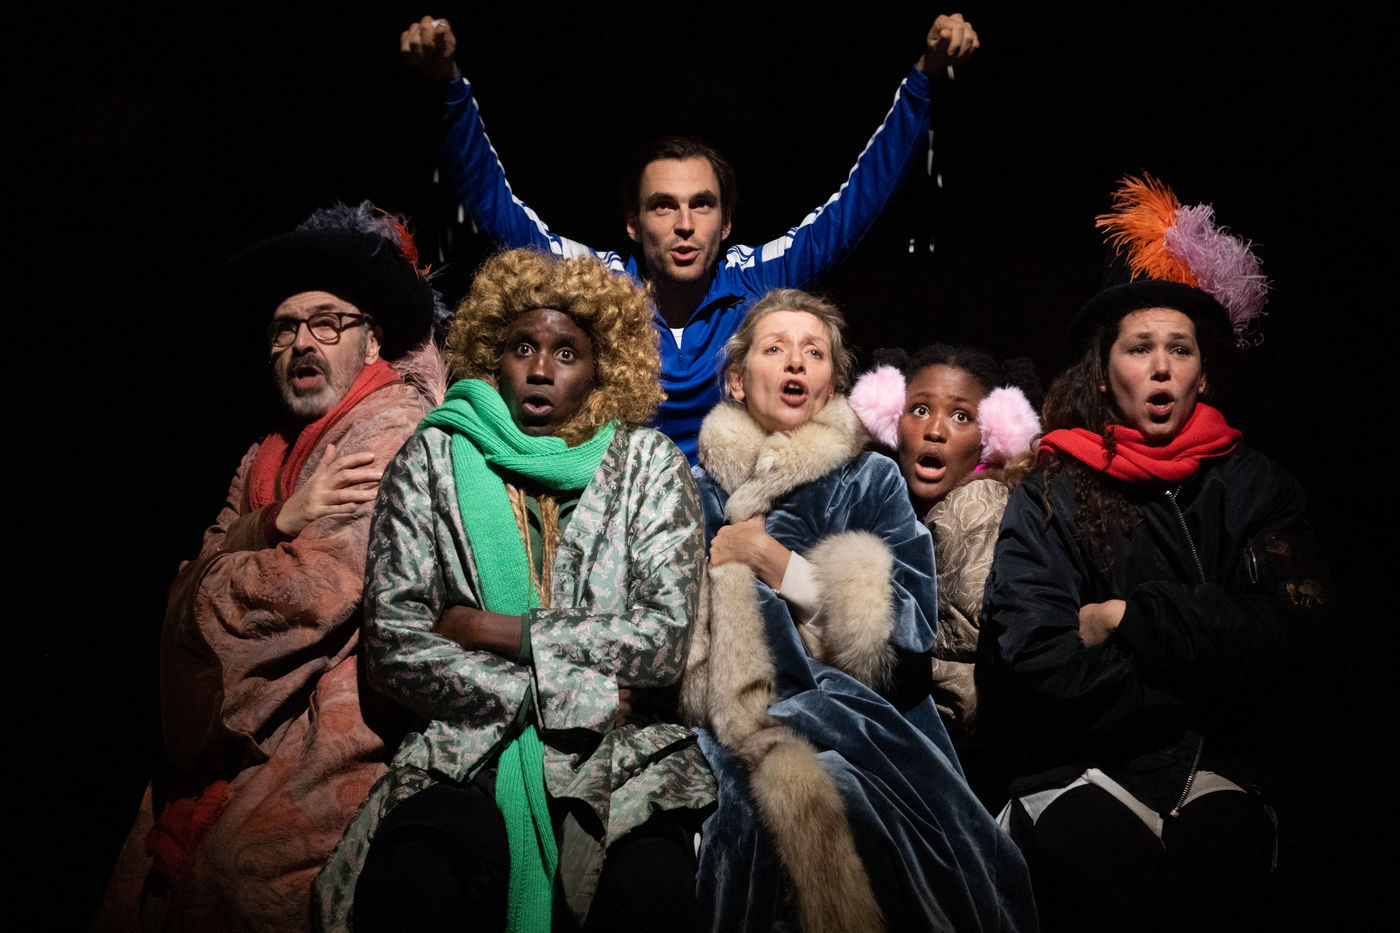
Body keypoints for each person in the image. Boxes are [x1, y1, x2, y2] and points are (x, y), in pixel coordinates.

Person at [312, 248, 715, 933]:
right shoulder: (435, 457)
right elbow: (394, 646)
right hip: (468, 746)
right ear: (493, 356)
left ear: (602, 368)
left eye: (567, 352)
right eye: (522, 346)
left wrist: (495, 629)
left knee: (649, 892)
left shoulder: (648, 464)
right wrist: (575, 693)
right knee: (415, 884)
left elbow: (662, 641)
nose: (540, 368)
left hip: (626, 758)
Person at [977, 176, 1332, 932]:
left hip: (1219, 766)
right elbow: (1035, 656)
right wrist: (1202, 677)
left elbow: (1292, 631)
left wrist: (1128, 617)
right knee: (1110, 881)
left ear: (1204, 371)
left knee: (1215, 879)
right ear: (1106, 374)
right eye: (1140, 348)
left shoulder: (1257, 485)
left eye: (1180, 348)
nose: (1162, 366)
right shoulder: (1051, 490)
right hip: (1077, 766)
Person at [399, 13, 980, 461]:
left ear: (725, 224)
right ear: (633, 224)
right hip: (623, 505)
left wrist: (923, 81)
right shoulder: (598, 283)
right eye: (663, 206)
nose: (684, 224)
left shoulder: (759, 276)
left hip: (735, 510)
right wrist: (450, 88)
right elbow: (499, 212)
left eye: (702, 205)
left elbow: (857, 203)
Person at [681, 289, 1037, 932]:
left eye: (813, 352)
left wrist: (777, 564)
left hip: (860, 720)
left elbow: (907, 642)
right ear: (736, 380)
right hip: (720, 729)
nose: (795, 362)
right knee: (737, 824)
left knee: (840, 798)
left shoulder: (870, 480)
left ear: (831, 386)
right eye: (775, 348)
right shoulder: (691, 490)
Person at [133, 203, 445, 931]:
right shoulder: (266, 452)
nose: (303, 341)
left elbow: (305, 592)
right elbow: (197, 574)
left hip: (352, 719)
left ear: (372, 341)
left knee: (238, 880)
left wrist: (206, 579)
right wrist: (275, 520)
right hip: (251, 732)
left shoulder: (391, 426)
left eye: (327, 323)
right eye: (285, 329)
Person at [850, 345, 1041, 758]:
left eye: (961, 416)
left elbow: (958, 671)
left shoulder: (976, 506)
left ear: (992, 436)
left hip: (960, 754)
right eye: (919, 409)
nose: (935, 430)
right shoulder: (894, 509)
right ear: (891, 420)